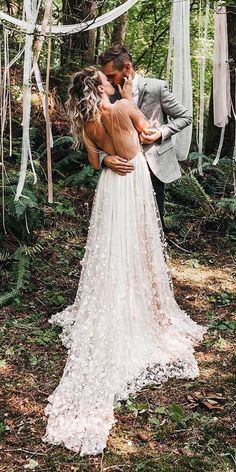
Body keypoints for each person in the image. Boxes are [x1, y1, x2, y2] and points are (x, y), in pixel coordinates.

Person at [42, 67, 207, 457]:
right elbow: (146, 138)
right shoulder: (124, 107)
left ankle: (116, 298)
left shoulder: (86, 121)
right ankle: (143, 306)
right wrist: (140, 128)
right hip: (133, 183)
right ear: (101, 87)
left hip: (110, 187)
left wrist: (107, 154)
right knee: (138, 246)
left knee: (110, 248)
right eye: (105, 79)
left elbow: (97, 163)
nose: (111, 81)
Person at [98, 44, 192, 226]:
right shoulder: (107, 94)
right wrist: (105, 159)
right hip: (122, 169)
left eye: (111, 76)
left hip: (153, 168)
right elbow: (97, 135)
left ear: (127, 67)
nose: (109, 81)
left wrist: (160, 133)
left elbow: (185, 116)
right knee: (123, 223)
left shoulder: (156, 88)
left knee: (153, 224)